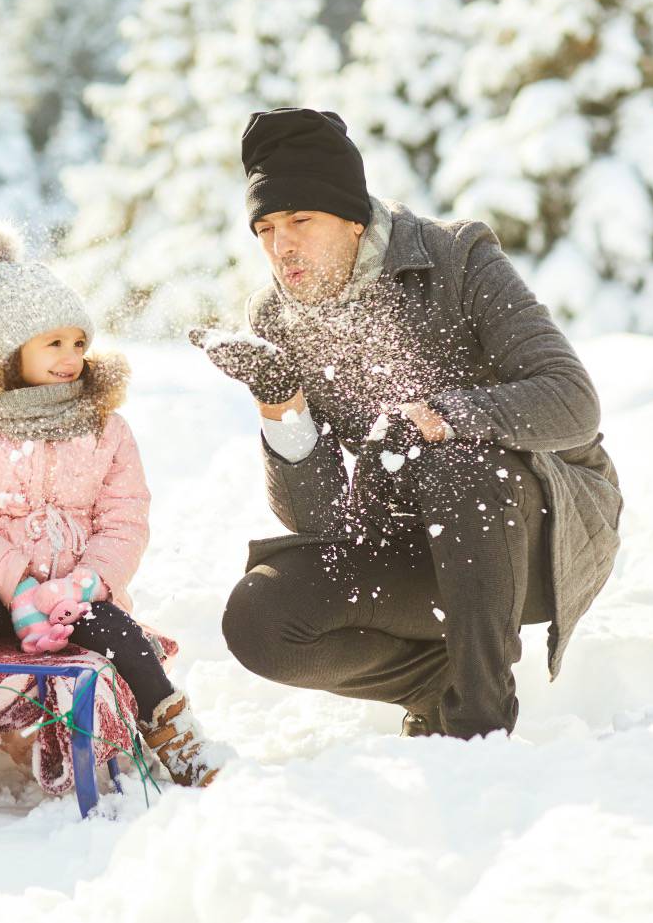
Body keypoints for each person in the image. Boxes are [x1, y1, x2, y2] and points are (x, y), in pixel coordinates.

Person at [202, 107, 623, 739]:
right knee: (261, 617)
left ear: (351, 217)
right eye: (263, 227)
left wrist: (446, 417)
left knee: (454, 463)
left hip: (529, 535)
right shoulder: (278, 316)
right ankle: (437, 687)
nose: (279, 245)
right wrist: (280, 400)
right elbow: (319, 524)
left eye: (299, 220)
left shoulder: (457, 259)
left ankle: (479, 720)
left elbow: (572, 401)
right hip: (414, 550)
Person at [0, 222, 222, 786]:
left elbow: (125, 518)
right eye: (53, 343)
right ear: (9, 351)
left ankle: (172, 729)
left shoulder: (105, 429)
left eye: (78, 343)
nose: (71, 357)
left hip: (76, 596)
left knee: (122, 636)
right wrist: (18, 586)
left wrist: (86, 583)